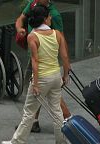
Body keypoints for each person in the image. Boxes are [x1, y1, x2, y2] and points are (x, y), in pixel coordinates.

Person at [2, 4, 69, 144]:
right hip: (55, 76)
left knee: (29, 112)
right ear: (44, 19)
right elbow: (64, 56)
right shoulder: (57, 34)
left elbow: (35, 61)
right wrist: (65, 75)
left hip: (42, 78)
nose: (51, 18)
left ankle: (18, 142)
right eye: (49, 16)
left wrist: (36, 84)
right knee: (57, 111)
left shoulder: (33, 36)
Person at [14, 0, 70, 132]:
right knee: (48, 95)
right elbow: (20, 19)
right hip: (37, 56)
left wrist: (67, 66)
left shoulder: (54, 15)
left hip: (45, 60)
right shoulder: (33, 4)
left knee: (43, 93)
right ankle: (36, 122)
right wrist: (20, 29)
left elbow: (62, 39)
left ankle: (69, 119)